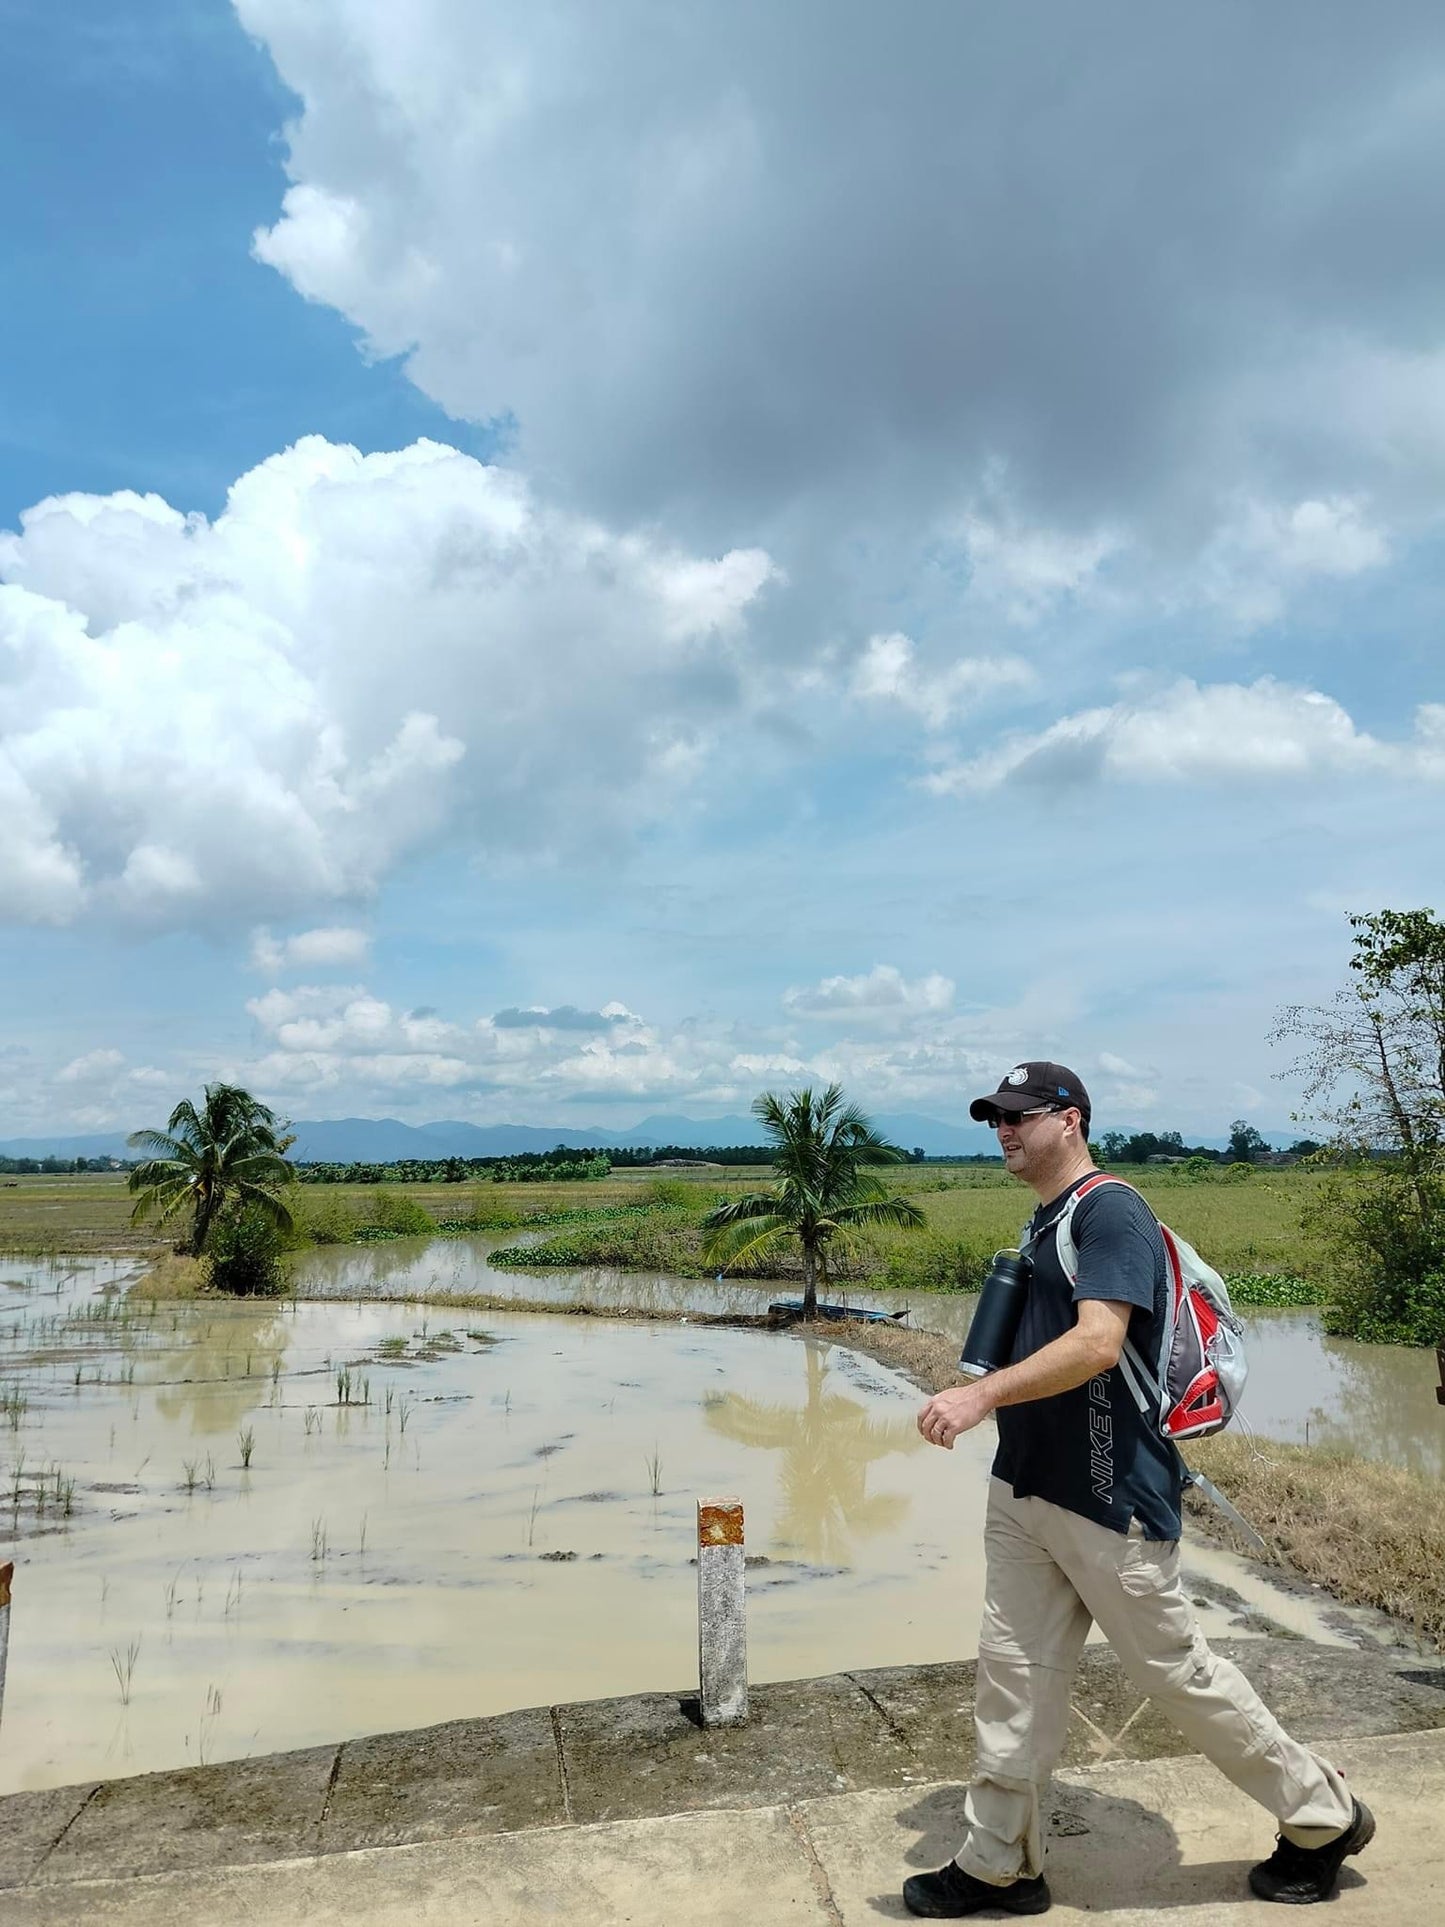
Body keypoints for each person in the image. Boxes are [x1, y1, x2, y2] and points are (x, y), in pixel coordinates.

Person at [903, 1061, 1373, 1918]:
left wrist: (977, 1394)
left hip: (1106, 1492)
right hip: (1024, 1486)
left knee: (1178, 1674)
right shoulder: (1044, 1218)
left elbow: (1094, 1343)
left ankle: (1322, 1816)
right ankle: (996, 1861)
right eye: (993, 1119)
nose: (1003, 1130)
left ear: (1069, 1119)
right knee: (1010, 1677)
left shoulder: (1108, 1209)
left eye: (1018, 1116)